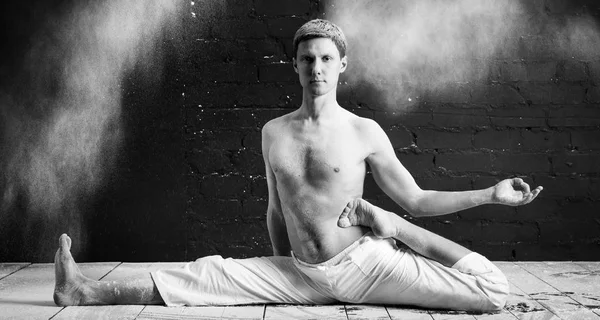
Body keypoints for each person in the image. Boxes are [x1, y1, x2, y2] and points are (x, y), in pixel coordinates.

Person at [53, 19, 542, 311]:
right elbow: (274, 210)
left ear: (342, 65)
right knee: (207, 277)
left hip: (365, 265)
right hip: (305, 272)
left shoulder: (363, 132)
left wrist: (488, 195)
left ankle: (384, 227)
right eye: (307, 59)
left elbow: (417, 199)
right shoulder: (273, 132)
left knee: (492, 291)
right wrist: (286, 271)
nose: (317, 68)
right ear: (295, 65)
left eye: (327, 59)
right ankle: (83, 293)